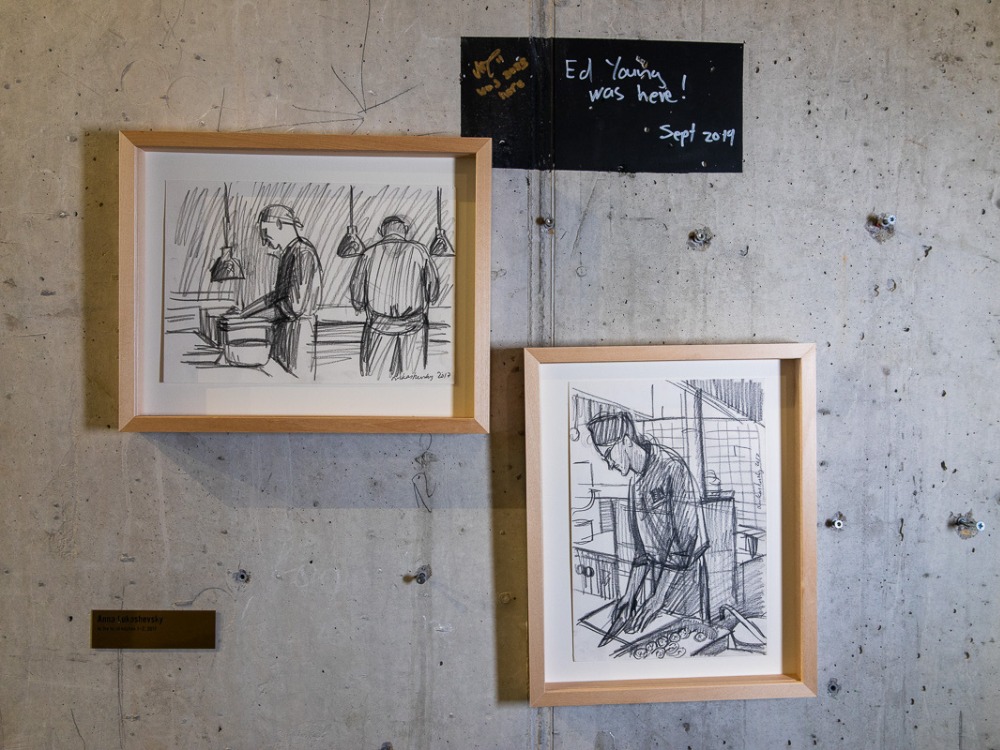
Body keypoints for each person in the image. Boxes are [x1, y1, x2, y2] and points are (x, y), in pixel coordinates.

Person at [586, 411, 709, 645]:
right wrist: (629, 596)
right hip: (661, 580)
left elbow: (686, 542)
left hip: (686, 581)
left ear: (625, 441)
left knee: (688, 641)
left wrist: (657, 598)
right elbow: (641, 553)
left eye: (609, 454)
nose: (609, 464)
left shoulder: (672, 468)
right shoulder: (635, 483)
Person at [349, 215, 441, 379]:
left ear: (381, 231)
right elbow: (433, 290)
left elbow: (357, 292)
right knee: (414, 378)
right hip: (414, 326)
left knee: (376, 378)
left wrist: (359, 305)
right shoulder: (420, 251)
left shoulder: (368, 254)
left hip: (379, 326)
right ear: (405, 229)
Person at [239, 204, 321, 375]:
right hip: (285, 332)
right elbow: (276, 296)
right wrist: (244, 314)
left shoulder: (303, 253)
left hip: (298, 335)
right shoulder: (291, 252)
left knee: (294, 379)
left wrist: (252, 320)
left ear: (279, 224)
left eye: (265, 233)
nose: (264, 241)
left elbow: (294, 307)